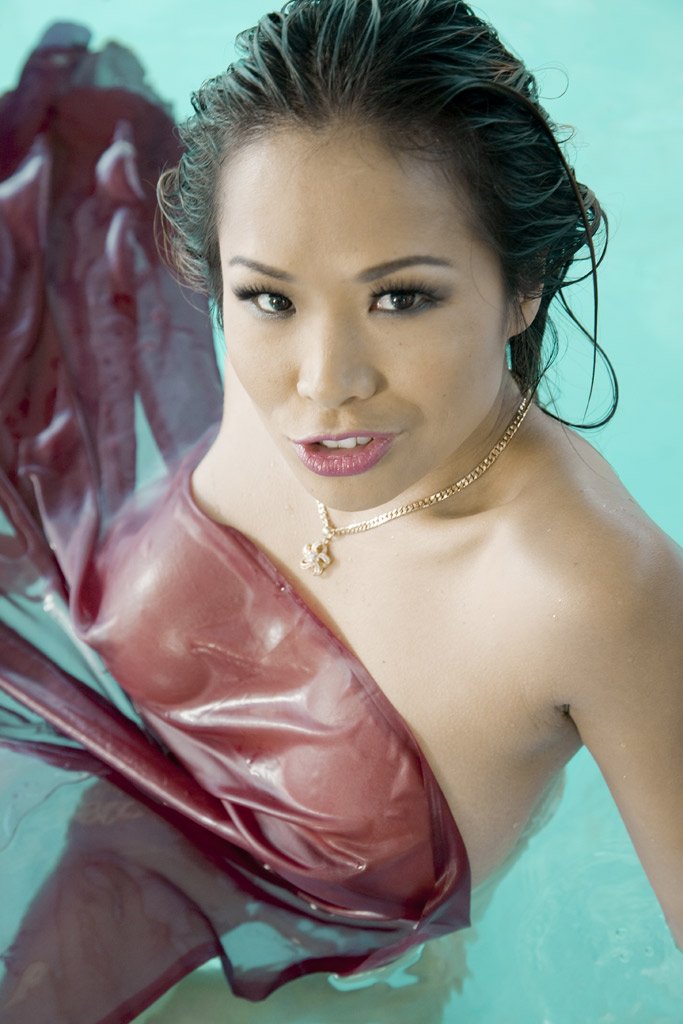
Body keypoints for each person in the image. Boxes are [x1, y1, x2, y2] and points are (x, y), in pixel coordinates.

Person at [0, 2, 680, 1022]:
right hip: (69, 856)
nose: (323, 384)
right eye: (269, 298)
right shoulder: (264, 381)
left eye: (399, 298)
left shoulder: (585, 589)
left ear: (524, 284)